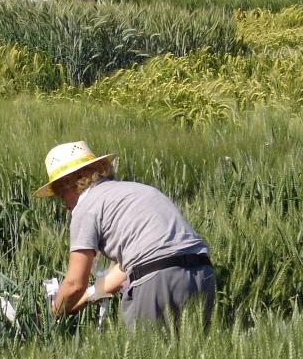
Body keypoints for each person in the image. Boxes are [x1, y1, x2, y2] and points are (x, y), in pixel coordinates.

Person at [34, 141, 215, 330]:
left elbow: (74, 283)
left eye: (62, 196)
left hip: (156, 280)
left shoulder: (85, 208)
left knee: (148, 357)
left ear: (69, 185)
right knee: (189, 355)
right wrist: (82, 300)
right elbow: (126, 269)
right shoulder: (138, 190)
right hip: (203, 273)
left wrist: (53, 312)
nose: (64, 205)